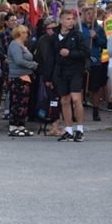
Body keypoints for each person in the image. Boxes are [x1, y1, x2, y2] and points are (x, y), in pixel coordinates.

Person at [46, 9, 90, 142]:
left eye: (73, 19)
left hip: (76, 70)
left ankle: (80, 130)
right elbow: (50, 58)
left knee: (76, 99)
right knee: (64, 100)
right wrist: (48, 77)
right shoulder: (54, 37)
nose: (71, 21)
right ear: (61, 21)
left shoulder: (78, 35)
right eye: (68, 19)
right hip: (61, 71)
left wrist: (70, 53)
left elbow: (86, 52)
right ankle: (68, 130)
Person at [6, 24, 37, 137]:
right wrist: (32, 65)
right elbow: (18, 61)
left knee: (23, 103)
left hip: (25, 77)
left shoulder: (21, 45)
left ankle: (21, 125)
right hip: (17, 77)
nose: (27, 35)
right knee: (17, 103)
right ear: (20, 34)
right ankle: (13, 126)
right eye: (25, 33)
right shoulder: (15, 45)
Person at [82, 7, 108, 122]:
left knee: (95, 88)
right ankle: (78, 111)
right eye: (88, 13)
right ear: (84, 15)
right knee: (79, 88)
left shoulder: (99, 29)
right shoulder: (79, 27)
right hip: (81, 61)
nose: (90, 15)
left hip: (95, 61)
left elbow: (105, 44)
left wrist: (96, 37)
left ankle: (95, 111)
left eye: (92, 14)